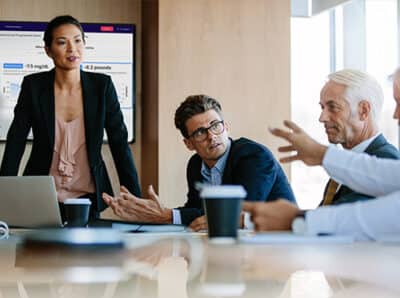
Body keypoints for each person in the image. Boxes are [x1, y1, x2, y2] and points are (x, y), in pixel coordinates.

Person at [0, 15, 141, 220]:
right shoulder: (34, 86)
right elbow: (16, 141)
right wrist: (4, 196)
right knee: (38, 252)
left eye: (77, 40)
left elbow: (119, 143)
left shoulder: (102, 86)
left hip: (89, 197)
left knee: (88, 252)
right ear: (48, 50)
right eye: (61, 42)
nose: (72, 49)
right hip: (42, 196)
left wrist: (135, 200)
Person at [103, 94, 296, 229]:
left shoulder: (254, 156)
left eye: (215, 126)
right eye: (200, 132)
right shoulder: (195, 164)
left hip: (274, 250)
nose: (212, 136)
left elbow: (236, 213)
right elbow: (197, 210)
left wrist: (167, 215)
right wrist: (153, 213)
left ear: (226, 127)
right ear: (188, 143)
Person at [243, 117, 400, 241]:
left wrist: (297, 219)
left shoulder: (387, 155)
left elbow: (370, 218)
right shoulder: (349, 165)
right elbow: (381, 173)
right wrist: (321, 154)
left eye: (333, 107)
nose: (395, 114)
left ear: (364, 110)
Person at [317, 69, 399, 206]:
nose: (322, 118)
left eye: (333, 107)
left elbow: (341, 220)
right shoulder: (344, 163)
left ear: (363, 111)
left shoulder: (386, 160)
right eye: (322, 107)